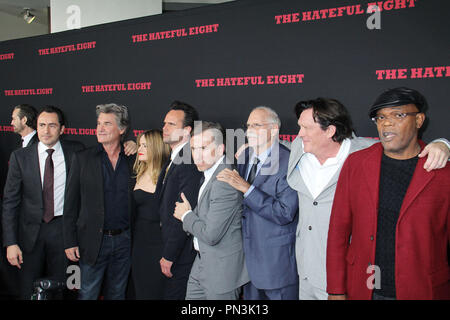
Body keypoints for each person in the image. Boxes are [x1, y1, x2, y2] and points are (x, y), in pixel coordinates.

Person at [287, 97, 450, 300]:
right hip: (309, 273)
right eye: (381, 117)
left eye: (306, 128)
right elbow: (271, 144)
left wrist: (443, 144)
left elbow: (410, 147)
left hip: (396, 282)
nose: (299, 134)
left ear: (329, 131)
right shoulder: (298, 149)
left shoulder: (361, 154)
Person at [2, 106, 84, 299]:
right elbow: (10, 202)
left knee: (69, 288)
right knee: (27, 290)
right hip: (29, 234)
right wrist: (10, 242)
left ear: (62, 129)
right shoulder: (20, 157)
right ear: (36, 127)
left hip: (65, 232)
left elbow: (105, 151)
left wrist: (129, 144)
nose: (46, 131)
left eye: (52, 125)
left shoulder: (77, 152)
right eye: (42, 125)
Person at [217, 107, 299, 300]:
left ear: (275, 129)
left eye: (256, 125)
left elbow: (285, 213)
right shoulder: (245, 156)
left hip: (276, 264)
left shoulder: (288, 161)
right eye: (248, 125)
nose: (249, 130)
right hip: (248, 262)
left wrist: (247, 189)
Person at [63, 103, 135, 300]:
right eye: (98, 123)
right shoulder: (83, 159)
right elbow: (70, 204)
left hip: (124, 241)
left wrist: (136, 145)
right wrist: (70, 241)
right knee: (87, 294)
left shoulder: (134, 159)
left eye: (107, 124)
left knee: (118, 294)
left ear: (122, 129)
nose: (100, 129)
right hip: (92, 241)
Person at [174, 121, 250, 299]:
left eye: (203, 148)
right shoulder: (209, 174)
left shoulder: (224, 182)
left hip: (221, 271)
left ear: (221, 148)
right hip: (202, 263)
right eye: (193, 149)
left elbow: (211, 235)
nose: (197, 155)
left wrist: (186, 216)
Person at [156, 100, 203, 300]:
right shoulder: (175, 157)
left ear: (187, 130)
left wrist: (170, 254)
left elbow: (184, 212)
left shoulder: (188, 160)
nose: (164, 128)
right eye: (165, 123)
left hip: (181, 254)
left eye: (171, 125)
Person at [131, 129, 170, 299]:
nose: (140, 148)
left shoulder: (168, 176)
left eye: (145, 145)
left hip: (158, 246)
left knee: (154, 291)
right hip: (138, 244)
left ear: (156, 148)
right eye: (140, 144)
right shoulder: (138, 171)